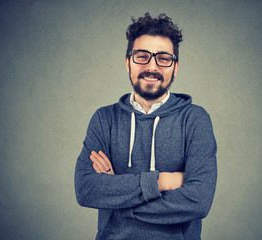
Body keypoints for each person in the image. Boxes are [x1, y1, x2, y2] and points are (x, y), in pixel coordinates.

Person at [75, 12, 217, 240]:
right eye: (142, 56)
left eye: (163, 58)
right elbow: (86, 189)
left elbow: (198, 201)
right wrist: (163, 181)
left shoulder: (195, 119)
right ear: (127, 62)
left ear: (175, 66)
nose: (152, 66)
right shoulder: (104, 119)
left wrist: (119, 200)